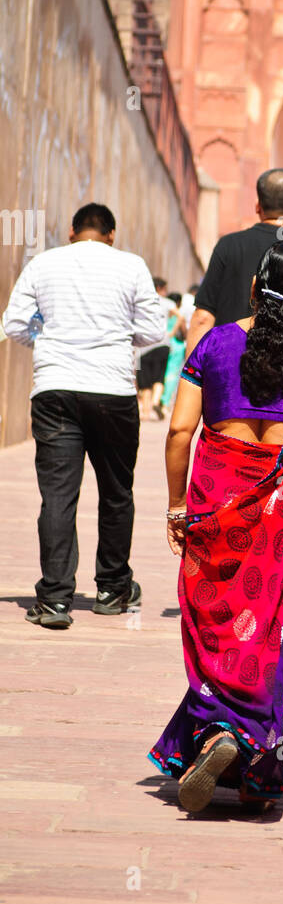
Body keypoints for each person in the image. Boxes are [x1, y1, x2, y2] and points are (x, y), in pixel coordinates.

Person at [149, 243, 283, 813]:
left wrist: (177, 506)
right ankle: (250, 761)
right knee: (267, 630)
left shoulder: (214, 343)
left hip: (214, 506)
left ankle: (221, 734)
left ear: (251, 289)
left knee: (216, 625)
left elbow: (179, 434)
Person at [1, 203, 164, 628]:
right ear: (111, 234)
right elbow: (153, 330)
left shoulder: (44, 263)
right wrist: (111, 335)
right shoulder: (131, 265)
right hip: (112, 389)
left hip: (55, 388)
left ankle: (55, 599)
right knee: (116, 491)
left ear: (73, 231)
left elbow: (15, 323)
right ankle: (112, 588)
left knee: (58, 495)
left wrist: (53, 338)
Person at [186, 168, 283, 355]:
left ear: (257, 205)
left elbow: (202, 318)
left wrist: (191, 377)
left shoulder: (229, 246)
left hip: (229, 370)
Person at [136, 277, 176, 421]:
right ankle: (155, 402)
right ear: (160, 288)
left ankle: (146, 413)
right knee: (159, 377)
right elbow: (180, 317)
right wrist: (171, 332)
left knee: (144, 381)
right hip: (162, 343)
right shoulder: (168, 302)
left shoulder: (142, 300)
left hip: (143, 346)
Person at [161, 293, 188, 409]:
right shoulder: (177, 313)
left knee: (162, 372)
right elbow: (184, 331)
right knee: (172, 373)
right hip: (176, 344)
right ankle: (165, 402)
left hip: (163, 342)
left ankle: (158, 398)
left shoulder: (166, 312)